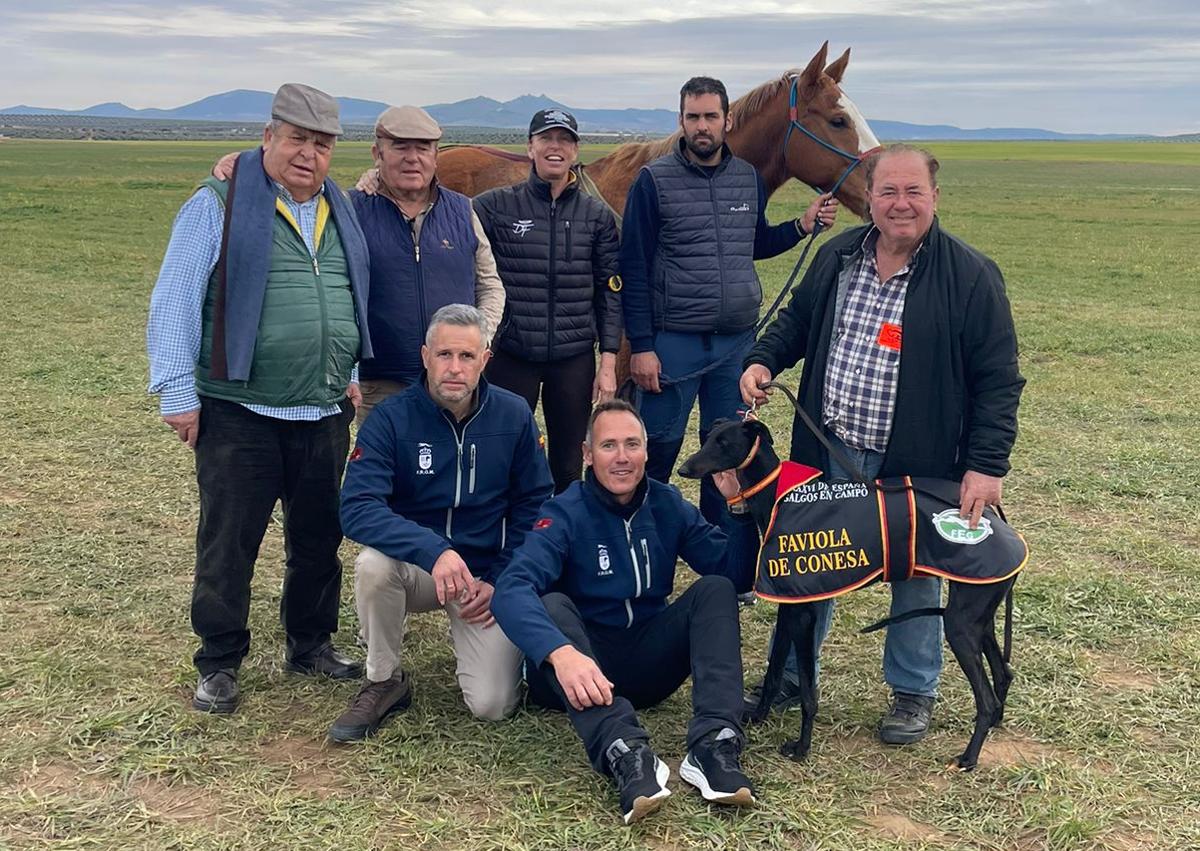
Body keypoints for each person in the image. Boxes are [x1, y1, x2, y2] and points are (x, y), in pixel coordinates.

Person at [739, 144, 1025, 745]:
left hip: (917, 459)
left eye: (913, 192)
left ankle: (913, 691)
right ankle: (791, 676)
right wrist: (763, 361)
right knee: (809, 556)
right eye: (888, 192)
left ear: (934, 198)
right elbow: (797, 320)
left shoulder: (970, 275)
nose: (900, 204)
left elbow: (999, 381)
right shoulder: (838, 255)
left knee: (917, 569)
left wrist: (985, 467)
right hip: (828, 447)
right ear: (868, 199)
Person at [147, 83, 372, 714]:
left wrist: (351, 364)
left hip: (324, 408)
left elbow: (346, 299)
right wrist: (175, 391)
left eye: (322, 143)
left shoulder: (341, 209)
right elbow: (174, 300)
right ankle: (219, 659)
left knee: (318, 536)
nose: (308, 154)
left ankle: (309, 643)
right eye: (296, 138)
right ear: (267, 137)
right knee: (229, 540)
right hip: (239, 410)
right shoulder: (219, 202)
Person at [492, 399, 758, 825]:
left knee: (716, 589)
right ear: (587, 454)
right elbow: (510, 589)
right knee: (552, 604)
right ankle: (626, 752)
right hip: (581, 671)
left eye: (631, 444)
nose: (621, 457)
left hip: (647, 663)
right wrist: (561, 654)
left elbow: (736, 575)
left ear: (647, 451)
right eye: (608, 445)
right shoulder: (564, 511)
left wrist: (740, 509)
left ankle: (714, 744)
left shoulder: (668, 503)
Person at [619, 76, 838, 526]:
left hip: (734, 344)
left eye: (711, 117)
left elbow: (753, 242)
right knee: (657, 448)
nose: (703, 126)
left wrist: (800, 225)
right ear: (681, 121)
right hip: (673, 342)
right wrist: (641, 346)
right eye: (693, 117)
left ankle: (726, 563)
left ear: (728, 120)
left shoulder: (748, 179)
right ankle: (644, 546)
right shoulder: (652, 182)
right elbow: (634, 267)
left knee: (730, 456)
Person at [332, 304, 553, 741]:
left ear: (485, 360)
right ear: (425, 356)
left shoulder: (514, 416)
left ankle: (490, 642)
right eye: (445, 355)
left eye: (467, 357)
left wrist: (503, 578)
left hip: (482, 577)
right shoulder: (390, 418)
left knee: (493, 706)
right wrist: (435, 550)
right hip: (418, 568)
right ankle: (383, 679)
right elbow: (356, 506)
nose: (455, 368)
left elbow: (536, 507)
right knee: (373, 566)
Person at [214, 105, 506, 423]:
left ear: (435, 156)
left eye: (422, 148)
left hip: (456, 382)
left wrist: (478, 340)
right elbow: (291, 194)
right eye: (400, 147)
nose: (412, 158)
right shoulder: (348, 209)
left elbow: (489, 284)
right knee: (381, 470)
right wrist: (247, 166)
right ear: (376, 153)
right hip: (379, 385)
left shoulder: (463, 212)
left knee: (458, 469)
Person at [474, 108, 622, 493]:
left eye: (564, 140)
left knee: (569, 464)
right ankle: (505, 544)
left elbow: (610, 291)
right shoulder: (494, 206)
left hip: (572, 359)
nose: (555, 147)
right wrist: (376, 180)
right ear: (530, 147)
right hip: (513, 354)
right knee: (504, 456)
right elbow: (433, 203)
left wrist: (608, 361)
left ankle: (564, 540)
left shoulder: (596, 215)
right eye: (546, 138)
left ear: (575, 150)